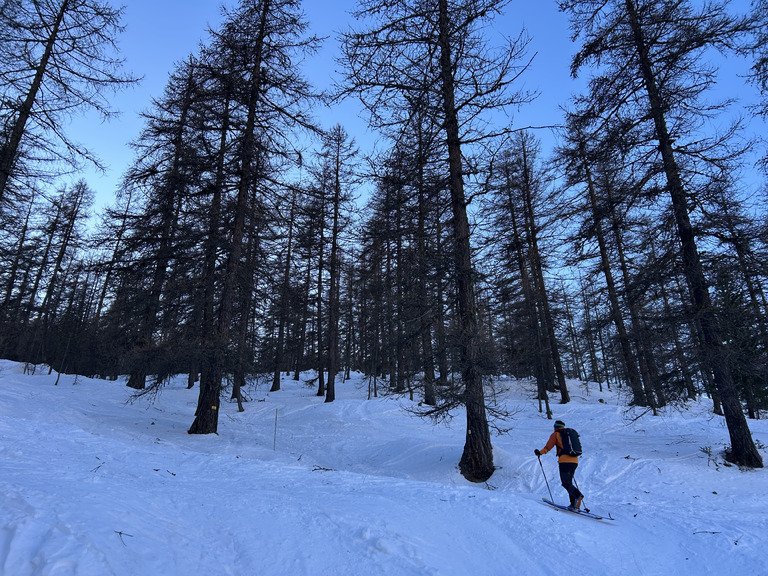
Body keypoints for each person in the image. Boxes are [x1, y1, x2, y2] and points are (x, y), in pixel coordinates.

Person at [535, 420, 584, 510]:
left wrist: (539, 452)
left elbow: (548, 447)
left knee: (565, 483)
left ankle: (578, 496)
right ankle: (573, 504)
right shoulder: (569, 434)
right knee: (569, 483)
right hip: (575, 461)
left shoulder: (556, 434)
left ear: (555, 427)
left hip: (564, 462)